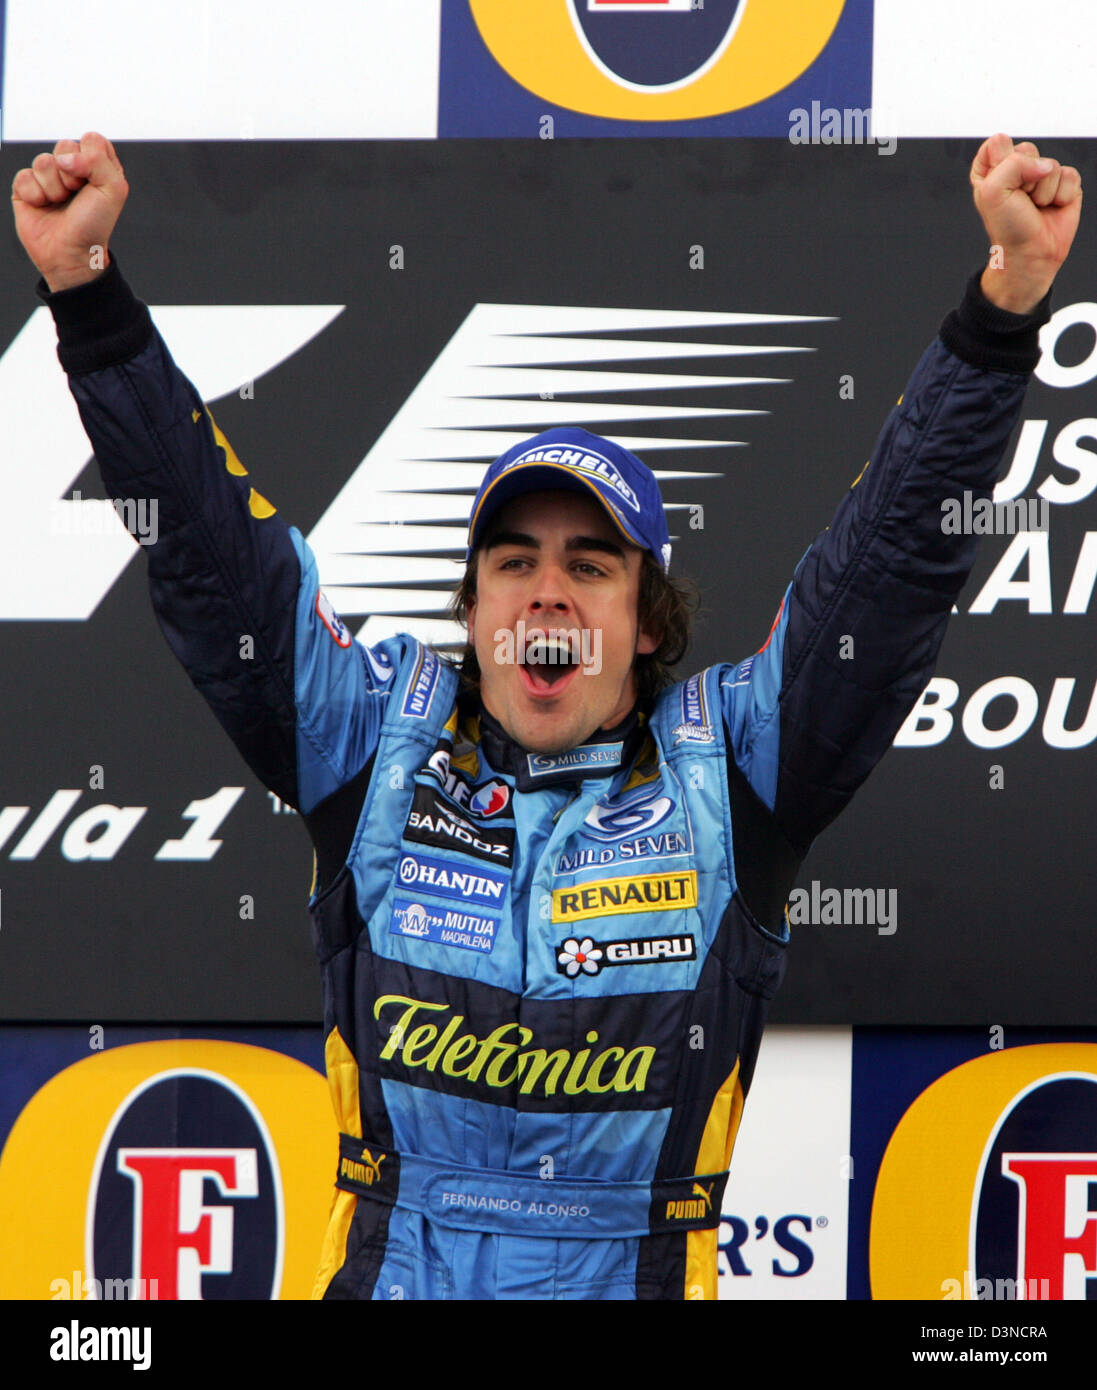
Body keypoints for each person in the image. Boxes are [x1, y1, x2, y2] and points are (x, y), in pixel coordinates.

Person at [12, 132, 1081, 1301]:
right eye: (512, 562)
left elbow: (884, 571)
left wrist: (1001, 312)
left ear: (647, 621)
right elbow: (214, 560)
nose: (547, 590)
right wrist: (91, 297)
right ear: (471, 613)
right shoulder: (370, 742)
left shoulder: (734, 765)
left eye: (591, 562)